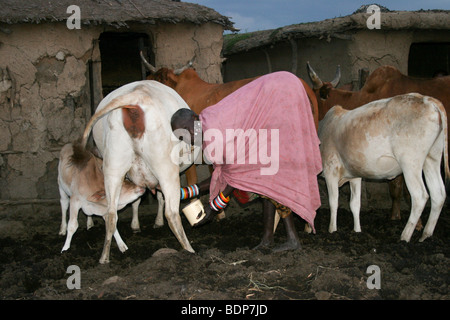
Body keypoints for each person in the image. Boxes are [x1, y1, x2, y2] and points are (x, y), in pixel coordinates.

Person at [172, 71, 322, 252]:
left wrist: (214, 208)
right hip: (279, 92)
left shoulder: (212, 133)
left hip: (281, 96)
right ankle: (270, 239)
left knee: (272, 180)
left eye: (187, 130)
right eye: (182, 136)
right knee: (266, 181)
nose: (187, 138)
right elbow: (227, 174)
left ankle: (291, 240)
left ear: (195, 119)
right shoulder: (207, 120)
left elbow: (233, 178)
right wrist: (182, 193)